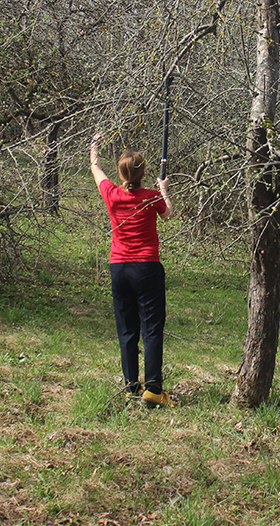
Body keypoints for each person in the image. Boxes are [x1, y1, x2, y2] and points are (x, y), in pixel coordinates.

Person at [89, 131, 175, 408]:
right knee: (151, 328)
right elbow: (169, 213)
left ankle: (130, 387)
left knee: (127, 329)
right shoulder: (151, 197)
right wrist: (163, 190)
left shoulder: (112, 195)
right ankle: (153, 388)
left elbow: (95, 168)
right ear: (143, 173)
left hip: (120, 268)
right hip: (147, 267)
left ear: (121, 172)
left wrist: (94, 146)